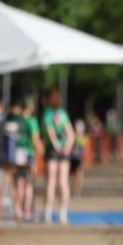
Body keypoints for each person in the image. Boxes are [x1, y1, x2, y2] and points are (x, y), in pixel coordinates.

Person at [42, 88, 74, 225]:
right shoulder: (63, 114)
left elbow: (50, 133)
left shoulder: (47, 114)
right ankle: (63, 213)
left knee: (51, 181)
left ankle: (48, 213)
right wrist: (66, 147)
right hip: (64, 151)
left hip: (52, 151)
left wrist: (56, 147)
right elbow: (71, 134)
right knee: (63, 182)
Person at [17, 99, 43, 222]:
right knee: (29, 183)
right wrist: (41, 151)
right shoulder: (31, 121)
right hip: (28, 153)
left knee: (19, 182)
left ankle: (19, 210)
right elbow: (35, 138)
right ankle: (27, 211)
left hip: (16, 154)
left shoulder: (17, 120)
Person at [70, 118, 87, 197]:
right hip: (72, 158)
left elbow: (84, 148)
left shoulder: (82, 137)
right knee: (74, 176)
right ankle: (75, 191)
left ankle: (77, 192)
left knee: (79, 175)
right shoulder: (72, 136)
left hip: (78, 158)